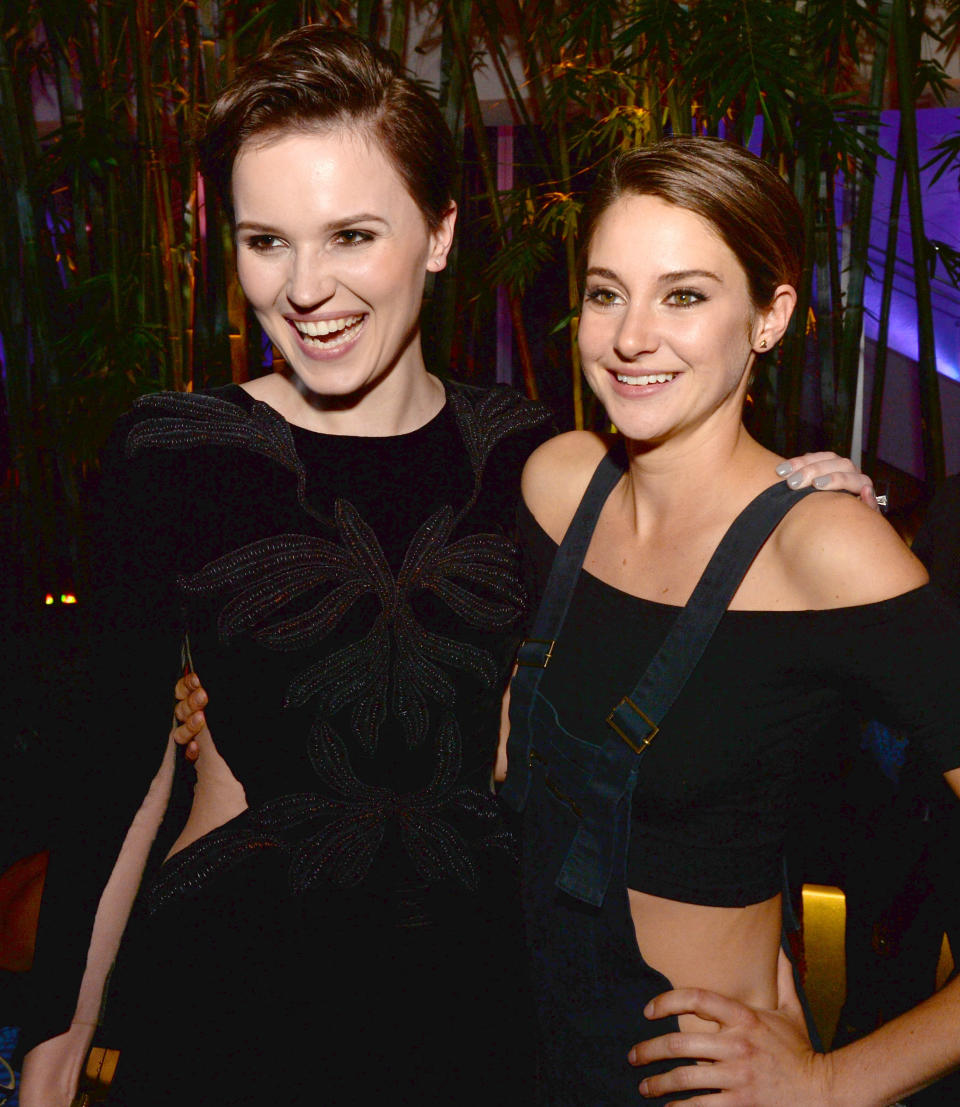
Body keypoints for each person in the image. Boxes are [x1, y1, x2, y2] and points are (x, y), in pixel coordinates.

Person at [17, 29, 872, 1107]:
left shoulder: (538, 461)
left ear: (438, 233)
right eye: (264, 241)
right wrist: (65, 1024)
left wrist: (798, 500)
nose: (306, 288)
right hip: (231, 999)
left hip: (482, 1010)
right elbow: (116, 767)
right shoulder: (173, 452)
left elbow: (673, 711)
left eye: (353, 235)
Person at [498, 138, 960, 1106]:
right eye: (605, 292)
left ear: (769, 316)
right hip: (522, 1055)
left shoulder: (826, 552)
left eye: (684, 296)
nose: (631, 338)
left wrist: (837, 1084)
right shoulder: (555, 488)